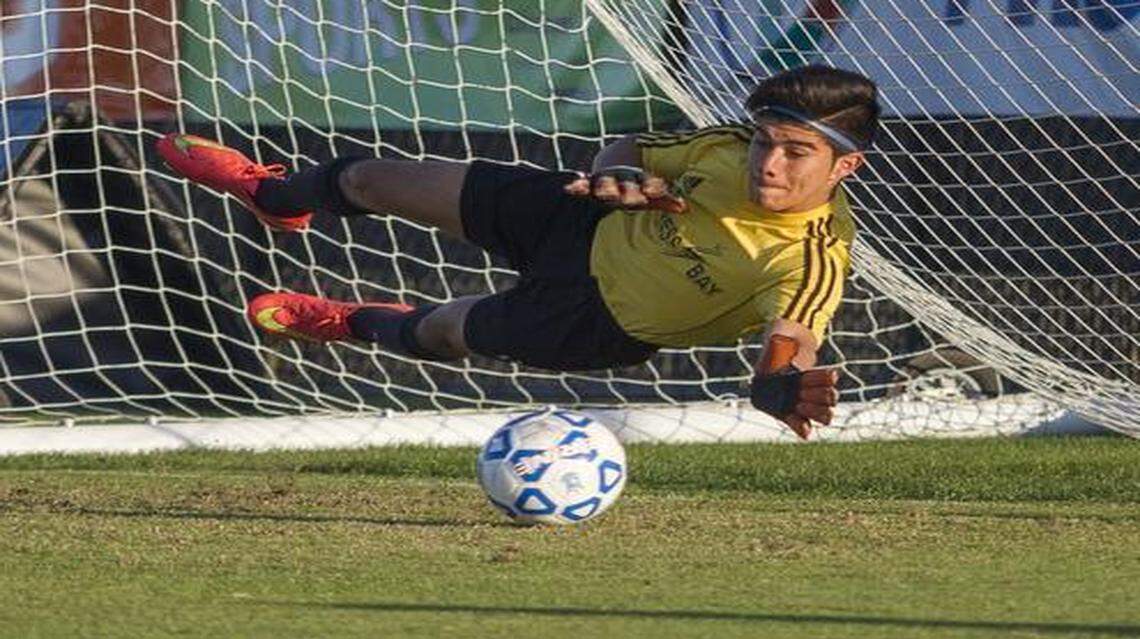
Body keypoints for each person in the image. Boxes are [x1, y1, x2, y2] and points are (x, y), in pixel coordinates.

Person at [156, 64, 879, 440]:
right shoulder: (723, 147)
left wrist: (775, 384)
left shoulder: (810, 256)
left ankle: (344, 320)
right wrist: (622, 176)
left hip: (595, 318)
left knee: (438, 331)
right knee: (371, 176)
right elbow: (630, 148)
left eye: (795, 152)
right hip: (577, 223)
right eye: (764, 142)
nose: (769, 164)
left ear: (844, 167)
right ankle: (275, 197)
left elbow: (793, 336)